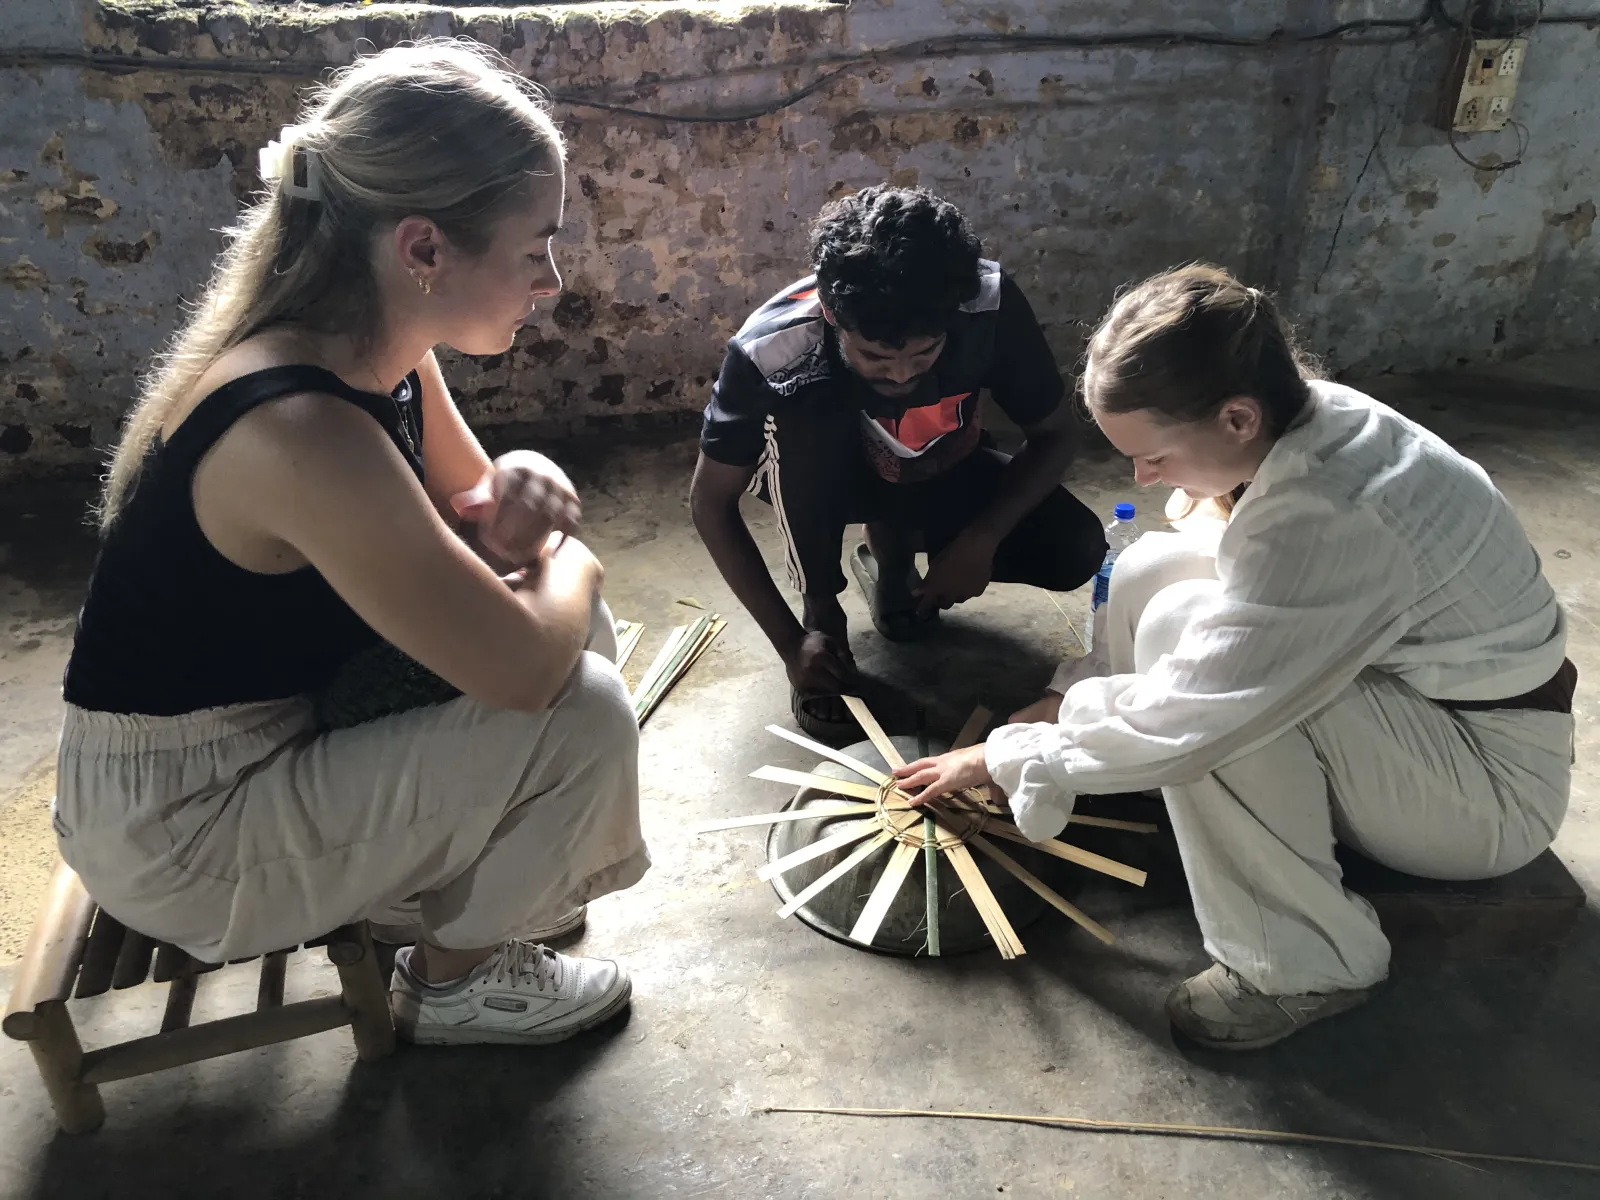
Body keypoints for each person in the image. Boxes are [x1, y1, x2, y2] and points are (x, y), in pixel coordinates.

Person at [53, 42, 650, 1047]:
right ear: (423, 249)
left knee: (571, 630)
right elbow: (519, 667)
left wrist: (519, 495)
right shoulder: (297, 426)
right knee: (579, 706)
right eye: (533, 248)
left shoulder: (383, 353)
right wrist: (571, 554)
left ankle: (451, 890)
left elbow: (478, 517)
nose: (550, 280)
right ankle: (454, 985)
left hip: (275, 733)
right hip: (186, 825)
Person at [893, 265, 1574, 1050]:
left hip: (1485, 791)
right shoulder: (1309, 418)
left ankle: (1305, 965)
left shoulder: (1334, 509)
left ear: (1238, 417)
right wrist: (1064, 707)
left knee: (1210, 705)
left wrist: (1009, 755)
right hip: (1416, 708)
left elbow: (1200, 713)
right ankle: (1148, 774)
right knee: (1152, 567)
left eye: (1155, 456)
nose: (1142, 476)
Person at [690, 186, 1107, 742]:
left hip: (938, 462)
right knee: (806, 410)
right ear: (833, 315)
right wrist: (791, 642)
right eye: (876, 357)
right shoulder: (773, 349)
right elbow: (710, 503)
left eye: (925, 353)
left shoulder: (984, 304)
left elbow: (1055, 433)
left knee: (1075, 548)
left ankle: (893, 562)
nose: (902, 375)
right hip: (825, 481)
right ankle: (823, 613)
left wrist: (981, 538)